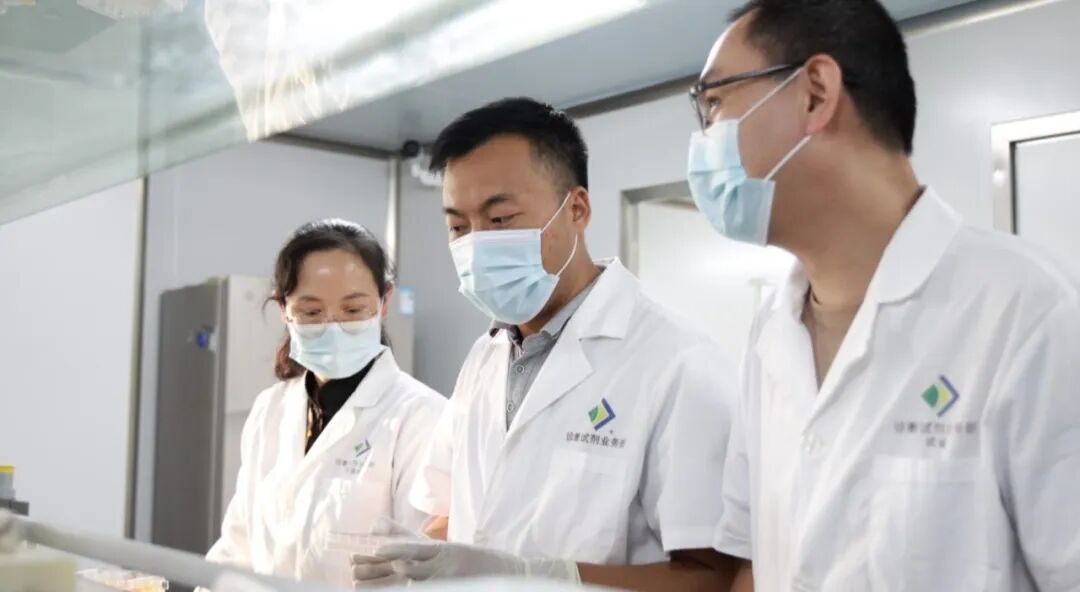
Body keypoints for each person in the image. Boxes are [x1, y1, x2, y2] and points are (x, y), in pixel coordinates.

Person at [688, 0, 1080, 590]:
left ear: (815, 93)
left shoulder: (1027, 314)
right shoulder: (772, 333)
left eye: (715, 102)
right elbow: (753, 564)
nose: (705, 137)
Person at [351, 98, 744, 590]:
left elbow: (713, 577)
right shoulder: (486, 358)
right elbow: (454, 514)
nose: (476, 244)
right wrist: (417, 561)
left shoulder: (678, 364)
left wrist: (545, 579)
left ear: (576, 209)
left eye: (500, 219)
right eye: (458, 227)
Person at [203, 220, 446, 588]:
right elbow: (239, 547)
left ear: (384, 302)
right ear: (284, 308)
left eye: (353, 310)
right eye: (312, 313)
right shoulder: (271, 409)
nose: (333, 327)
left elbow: (421, 569)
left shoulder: (421, 417)